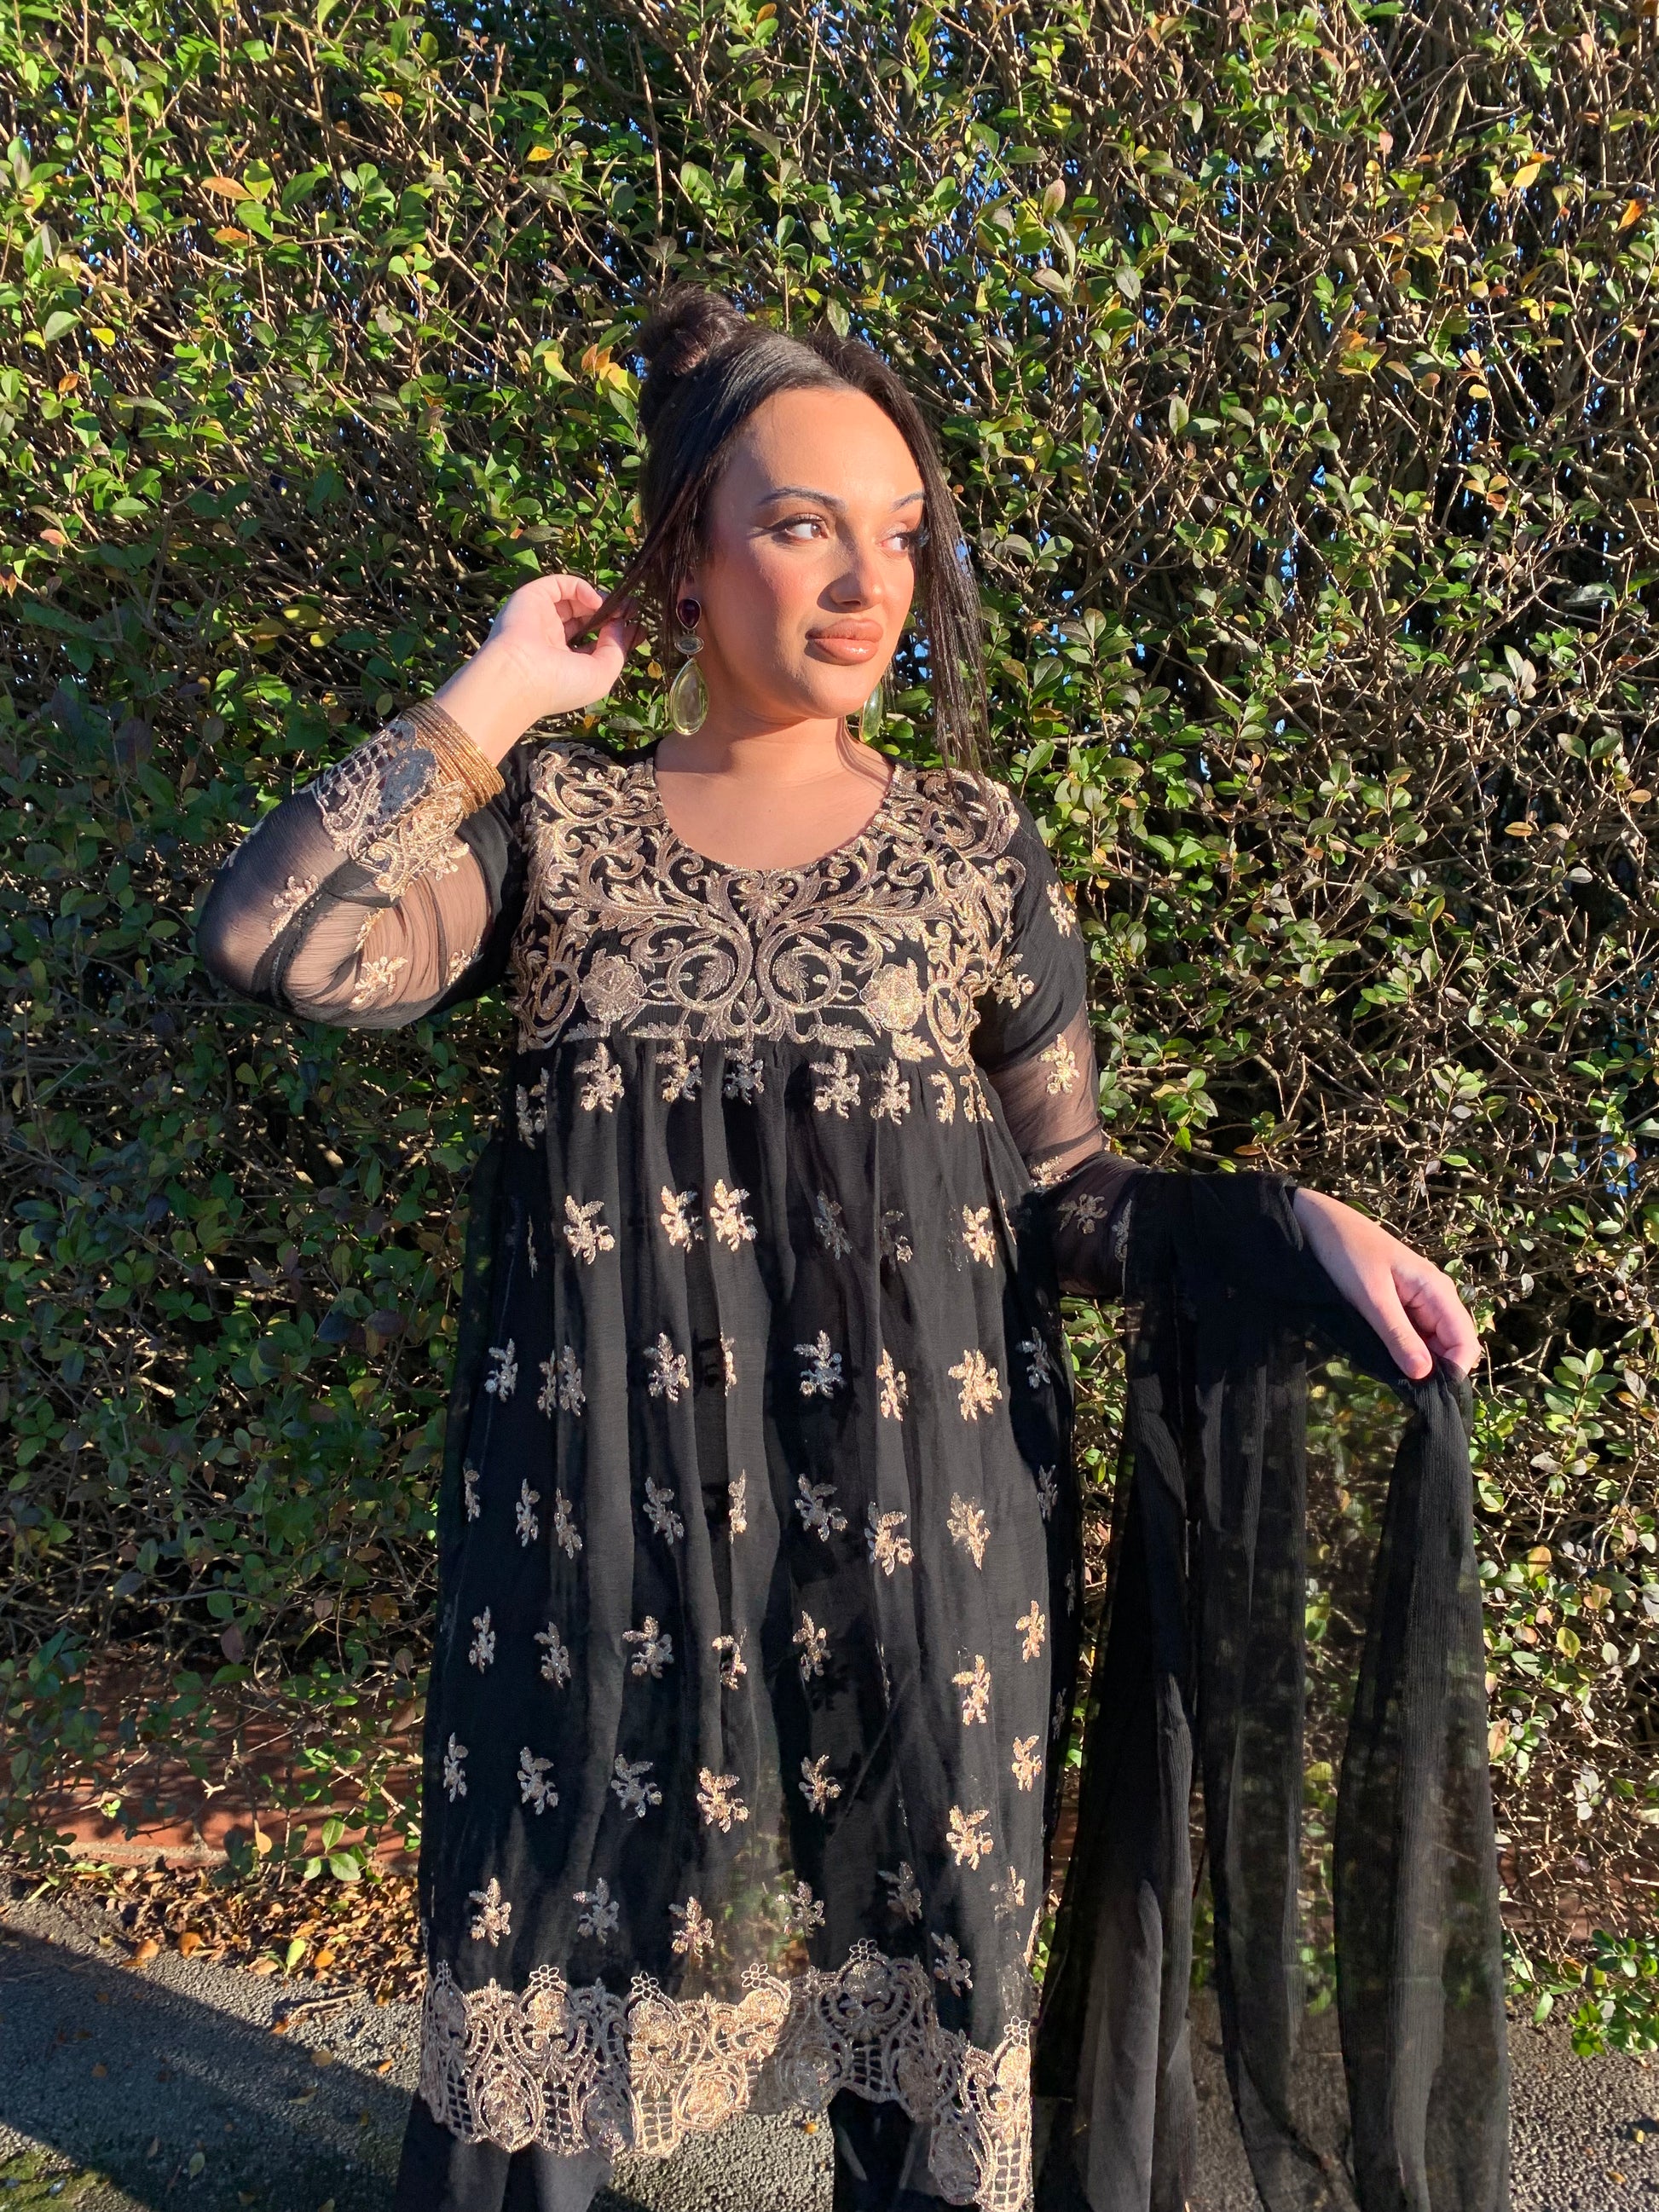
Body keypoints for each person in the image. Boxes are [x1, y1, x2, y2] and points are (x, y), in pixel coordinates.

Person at [193, 284, 1480, 2212]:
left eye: (900, 532)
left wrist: (1290, 1221)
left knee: (928, 2034)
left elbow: (1069, 1197)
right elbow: (279, 943)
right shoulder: (559, 830)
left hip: (930, 1548)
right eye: (802, 525)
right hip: (598, 1554)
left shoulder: (972, 850)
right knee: (540, 2015)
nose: (871, 583)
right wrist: (498, 697)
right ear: (686, 558)